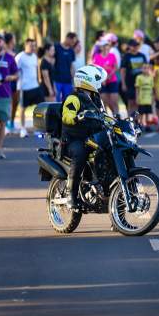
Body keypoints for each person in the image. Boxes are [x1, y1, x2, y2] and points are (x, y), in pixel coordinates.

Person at [60, 65, 108, 209]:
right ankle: (71, 195)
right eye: (97, 80)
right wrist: (76, 117)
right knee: (80, 153)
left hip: (90, 138)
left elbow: (103, 116)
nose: (100, 83)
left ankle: (103, 186)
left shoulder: (95, 98)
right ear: (87, 80)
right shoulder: (73, 98)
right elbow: (66, 116)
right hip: (74, 139)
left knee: (108, 149)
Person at [15, 38, 44, 137]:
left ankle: (39, 128)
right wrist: (18, 87)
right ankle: (23, 129)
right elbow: (15, 71)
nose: (33, 47)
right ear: (26, 46)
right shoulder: (20, 57)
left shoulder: (35, 56)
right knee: (22, 108)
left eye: (34, 45)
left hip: (35, 86)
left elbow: (36, 69)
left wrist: (39, 80)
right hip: (24, 88)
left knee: (41, 107)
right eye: (31, 45)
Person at [92, 39, 120, 117]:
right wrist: (102, 79)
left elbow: (116, 67)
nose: (105, 47)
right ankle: (106, 118)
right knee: (104, 102)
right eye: (104, 45)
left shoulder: (112, 55)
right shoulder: (97, 57)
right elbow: (95, 69)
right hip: (102, 82)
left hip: (112, 80)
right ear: (100, 47)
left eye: (107, 45)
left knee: (114, 101)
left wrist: (109, 75)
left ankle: (117, 117)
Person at [120, 39, 147, 114]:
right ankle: (130, 118)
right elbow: (122, 71)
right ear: (129, 46)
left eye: (136, 45)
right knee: (131, 102)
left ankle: (138, 119)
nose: (135, 47)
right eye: (133, 45)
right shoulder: (126, 56)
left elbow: (146, 68)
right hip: (130, 83)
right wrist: (123, 84)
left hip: (141, 83)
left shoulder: (142, 56)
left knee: (139, 102)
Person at [54, 32, 77, 102]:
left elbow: (72, 66)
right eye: (72, 42)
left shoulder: (71, 51)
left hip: (67, 81)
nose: (73, 44)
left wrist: (74, 80)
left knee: (67, 101)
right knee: (56, 101)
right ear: (67, 38)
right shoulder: (56, 47)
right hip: (57, 80)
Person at [4, 33, 20, 133]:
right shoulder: (4, 52)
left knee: (15, 102)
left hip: (15, 80)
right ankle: (6, 124)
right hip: (6, 81)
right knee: (8, 103)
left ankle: (12, 123)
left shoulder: (14, 52)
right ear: (10, 40)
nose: (15, 40)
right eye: (14, 38)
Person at [135, 63, 155, 130]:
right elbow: (137, 88)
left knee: (148, 113)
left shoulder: (151, 78)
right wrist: (137, 97)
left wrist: (153, 98)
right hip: (142, 99)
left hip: (148, 99)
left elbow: (152, 89)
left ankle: (147, 125)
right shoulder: (139, 77)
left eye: (147, 68)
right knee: (141, 113)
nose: (145, 69)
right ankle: (140, 124)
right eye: (144, 68)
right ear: (141, 69)